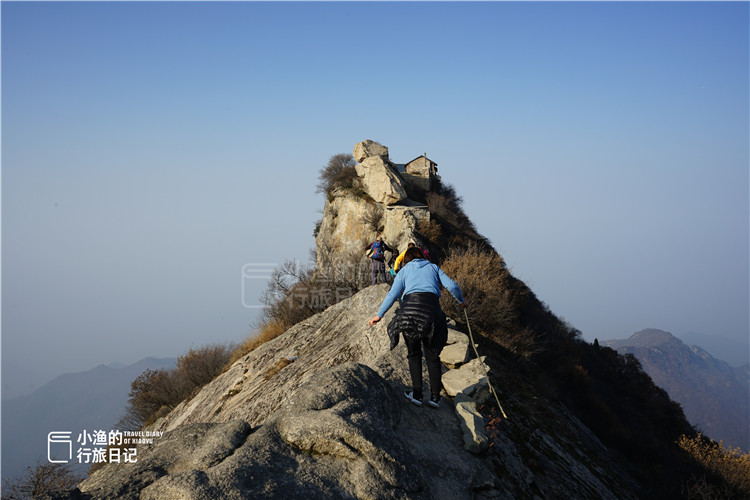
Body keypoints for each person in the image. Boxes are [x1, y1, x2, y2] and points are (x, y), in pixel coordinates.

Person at [368, 247, 468, 408]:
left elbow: (393, 294)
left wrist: (379, 315)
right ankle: (435, 398)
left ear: (406, 259)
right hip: (432, 312)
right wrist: (461, 301)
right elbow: (452, 286)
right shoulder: (433, 267)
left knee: (414, 354)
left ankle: (417, 394)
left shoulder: (404, 270)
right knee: (433, 355)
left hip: (410, 312)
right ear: (423, 256)